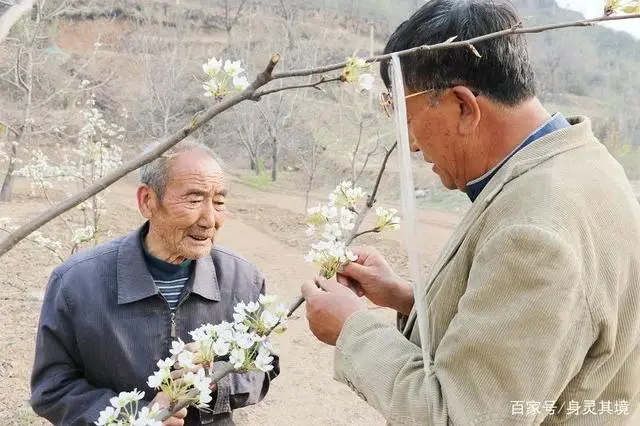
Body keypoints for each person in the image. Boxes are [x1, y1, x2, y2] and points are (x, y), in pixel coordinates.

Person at [301, 0, 640, 424]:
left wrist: (351, 331)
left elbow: (458, 415)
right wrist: (409, 299)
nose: (410, 143)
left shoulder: (535, 232)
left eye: (406, 114)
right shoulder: (581, 163)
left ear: (463, 106)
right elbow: (540, 328)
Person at [30, 139, 279, 425]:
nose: (210, 219)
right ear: (147, 201)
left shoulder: (243, 278)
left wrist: (213, 381)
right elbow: (52, 388)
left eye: (219, 202)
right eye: (194, 200)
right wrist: (138, 417)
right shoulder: (76, 282)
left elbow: (263, 368)